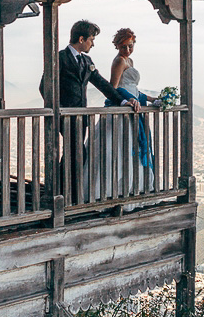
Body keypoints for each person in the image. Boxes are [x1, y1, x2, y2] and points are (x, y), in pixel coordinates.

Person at [40, 20, 138, 200]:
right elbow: (43, 86)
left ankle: (63, 193)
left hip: (81, 117)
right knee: (76, 152)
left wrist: (123, 101)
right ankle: (65, 195)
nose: (93, 43)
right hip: (65, 115)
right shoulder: (60, 58)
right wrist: (57, 109)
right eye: (91, 39)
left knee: (73, 153)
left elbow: (102, 84)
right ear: (81, 38)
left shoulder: (87, 61)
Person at [98, 28, 157, 198]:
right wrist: (128, 99)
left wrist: (152, 99)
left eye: (130, 46)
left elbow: (134, 89)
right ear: (117, 46)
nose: (128, 50)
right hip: (124, 107)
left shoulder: (130, 61)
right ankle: (117, 189)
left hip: (133, 105)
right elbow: (114, 88)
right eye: (124, 47)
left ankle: (133, 185)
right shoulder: (119, 61)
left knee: (133, 147)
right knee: (122, 147)